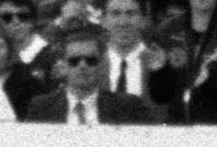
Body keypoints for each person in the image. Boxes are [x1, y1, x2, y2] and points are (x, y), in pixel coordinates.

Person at [25, 22, 156, 124]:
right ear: (63, 65)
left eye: (91, 60)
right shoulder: (41, 108)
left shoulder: (128, 107)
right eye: (74, 60)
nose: (83, 66)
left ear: (101, 64)